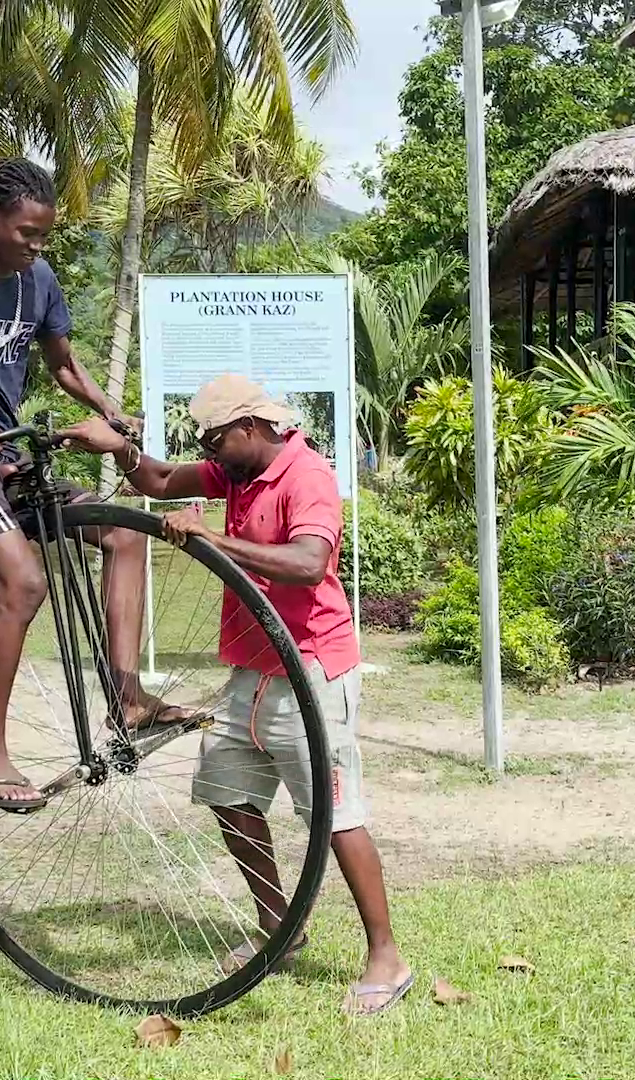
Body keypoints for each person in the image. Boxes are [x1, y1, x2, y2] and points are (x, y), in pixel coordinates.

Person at [60, 375, 412, 1017]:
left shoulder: (306, 476)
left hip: (310, 672)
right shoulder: (237, 472)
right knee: (227, 794)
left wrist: (213, 539)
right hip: (249, 672)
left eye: (217, 439)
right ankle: (281, 928)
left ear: (252, 426)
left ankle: (386, 955)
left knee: (334, 816)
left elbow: (309, 563)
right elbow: (161, 483)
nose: (211, 452)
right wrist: (118, 448)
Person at [0, 157, 185, 813]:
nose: (37, 246)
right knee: (23, 584)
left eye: (44, 236)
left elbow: (64, 363)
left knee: (124, 537)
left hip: (6, 456)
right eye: (27, 233)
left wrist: (111, 411)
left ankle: (128, 700)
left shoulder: (37, 280)